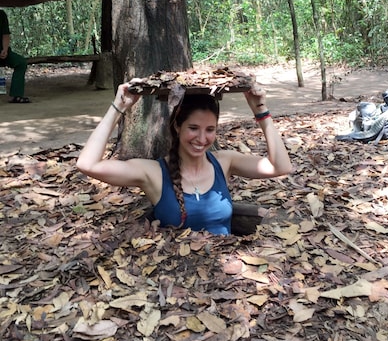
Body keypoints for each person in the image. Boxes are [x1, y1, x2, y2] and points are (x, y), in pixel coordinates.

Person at [77, 80, 293, 235]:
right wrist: (118, 108)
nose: (201, 138)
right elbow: (88, 164)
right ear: (177, 126)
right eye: (193, 128)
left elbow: (280, 167)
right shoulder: (152, 172)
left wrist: (261, 111)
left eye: (210, 129)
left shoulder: (224, 162)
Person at [0, 9, 30, 103]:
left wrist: (4, 49)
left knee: (20, 63)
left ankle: (16, 95)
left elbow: (5, 34)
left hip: (1, 53)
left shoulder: (1, 14)